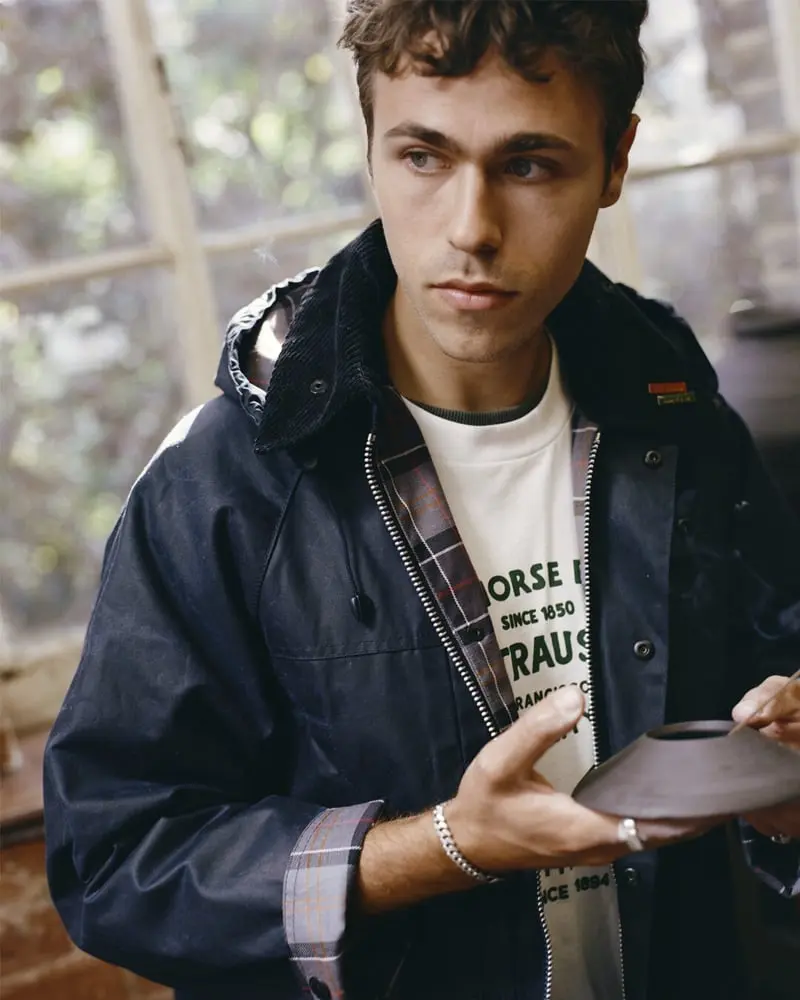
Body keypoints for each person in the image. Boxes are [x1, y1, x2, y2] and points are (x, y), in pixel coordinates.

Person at [43, 3, 800, 1000]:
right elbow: (113, 860)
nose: (470, 228)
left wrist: (780, 787)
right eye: (423, 158)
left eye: (530, 165)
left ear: (615, 161)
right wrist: (445, 845)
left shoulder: (683, 422)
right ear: (368, 148)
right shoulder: (223, 483)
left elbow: (767, 732)